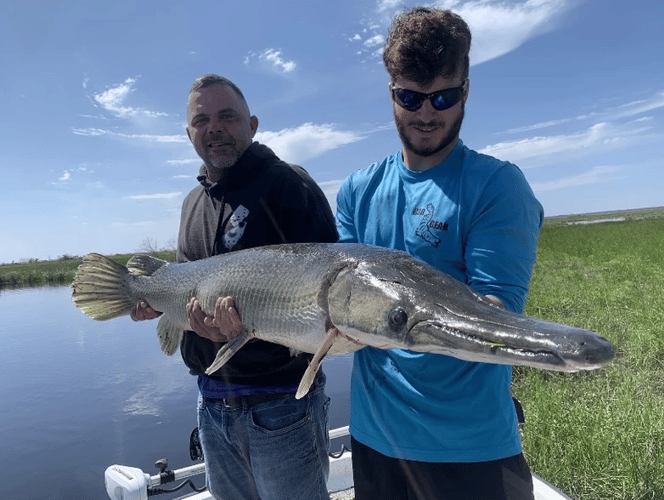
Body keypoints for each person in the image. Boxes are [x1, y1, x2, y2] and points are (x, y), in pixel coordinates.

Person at [334, 7, 544, 500]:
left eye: (443, 97)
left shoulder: (498, 186)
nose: (426, 114)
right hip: (375, 442)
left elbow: (497, 316)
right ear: (391, 95)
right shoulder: (356, 191)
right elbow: (340, 312)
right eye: (410, 97)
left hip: (471, 449)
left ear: (465, 91)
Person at [132, 74, 338, 500]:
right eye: (201, 120)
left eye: (227, 116)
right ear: (189, 134)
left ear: (253, 124)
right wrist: (154, 302)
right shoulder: (193, 203)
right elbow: (183, 284)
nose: (214, 128)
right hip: (211, 408)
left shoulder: (288, 184)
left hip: (284, 408)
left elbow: (331, 295)